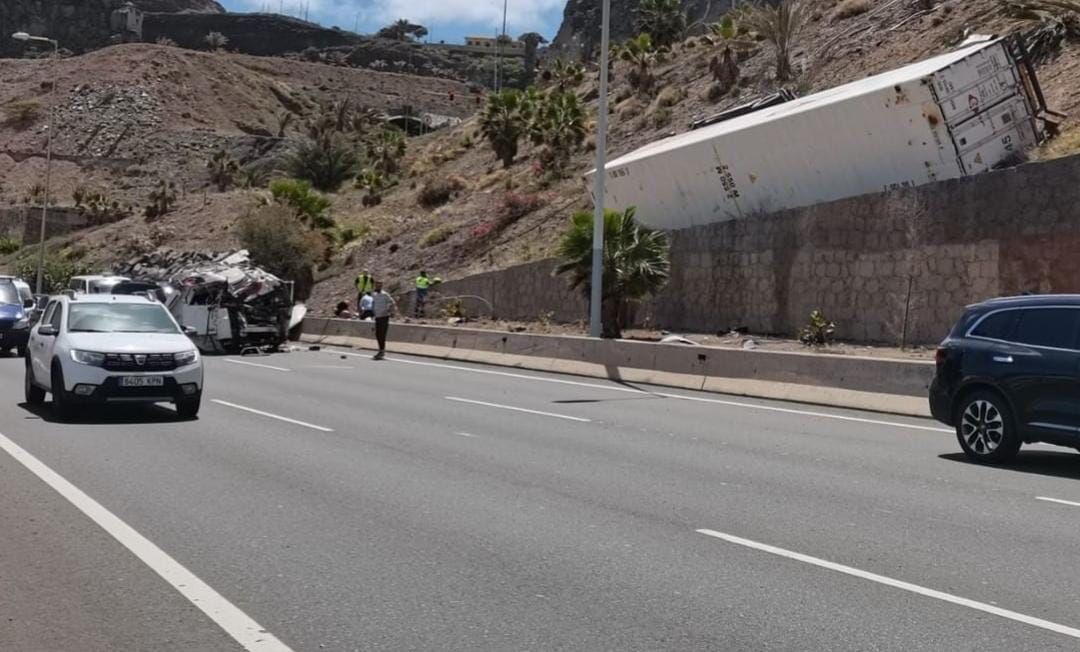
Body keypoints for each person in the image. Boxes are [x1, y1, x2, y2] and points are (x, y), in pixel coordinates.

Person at [371, 281, 396, 360]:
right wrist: (373, 313)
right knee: (378, 334)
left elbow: (392, 302)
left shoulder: (385, 294)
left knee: (382, 334)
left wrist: (391, 311)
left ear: (381, 286)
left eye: (379, 285)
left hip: (384, 316)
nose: (377, 287)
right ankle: (380, 350)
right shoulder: (374, 295)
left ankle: (382, 351)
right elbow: (374, 304)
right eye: (376, 285)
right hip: (377, 317)